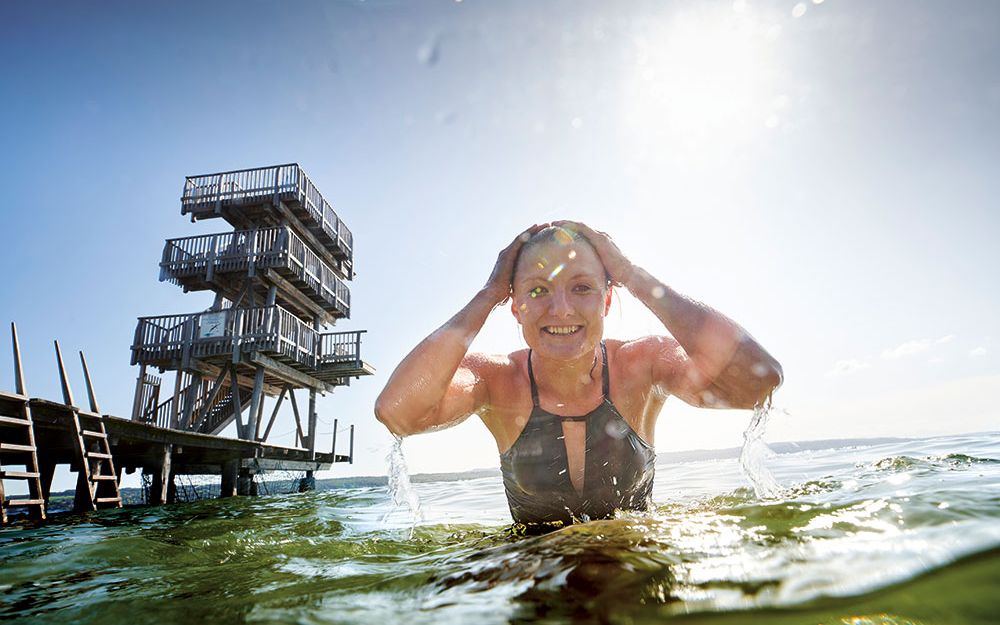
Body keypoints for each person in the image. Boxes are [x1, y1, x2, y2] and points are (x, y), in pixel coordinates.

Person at [375, 221, 782, 531]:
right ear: (514, 307)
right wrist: (487, 294)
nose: (562, 310)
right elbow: (398, 412)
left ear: (608, 299)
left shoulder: (643, 366)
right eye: (537, 291)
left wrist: (631, 274)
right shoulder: (496, 381)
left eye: (583, 287)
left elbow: (756, 381)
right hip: (537, 582)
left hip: (634, 569)